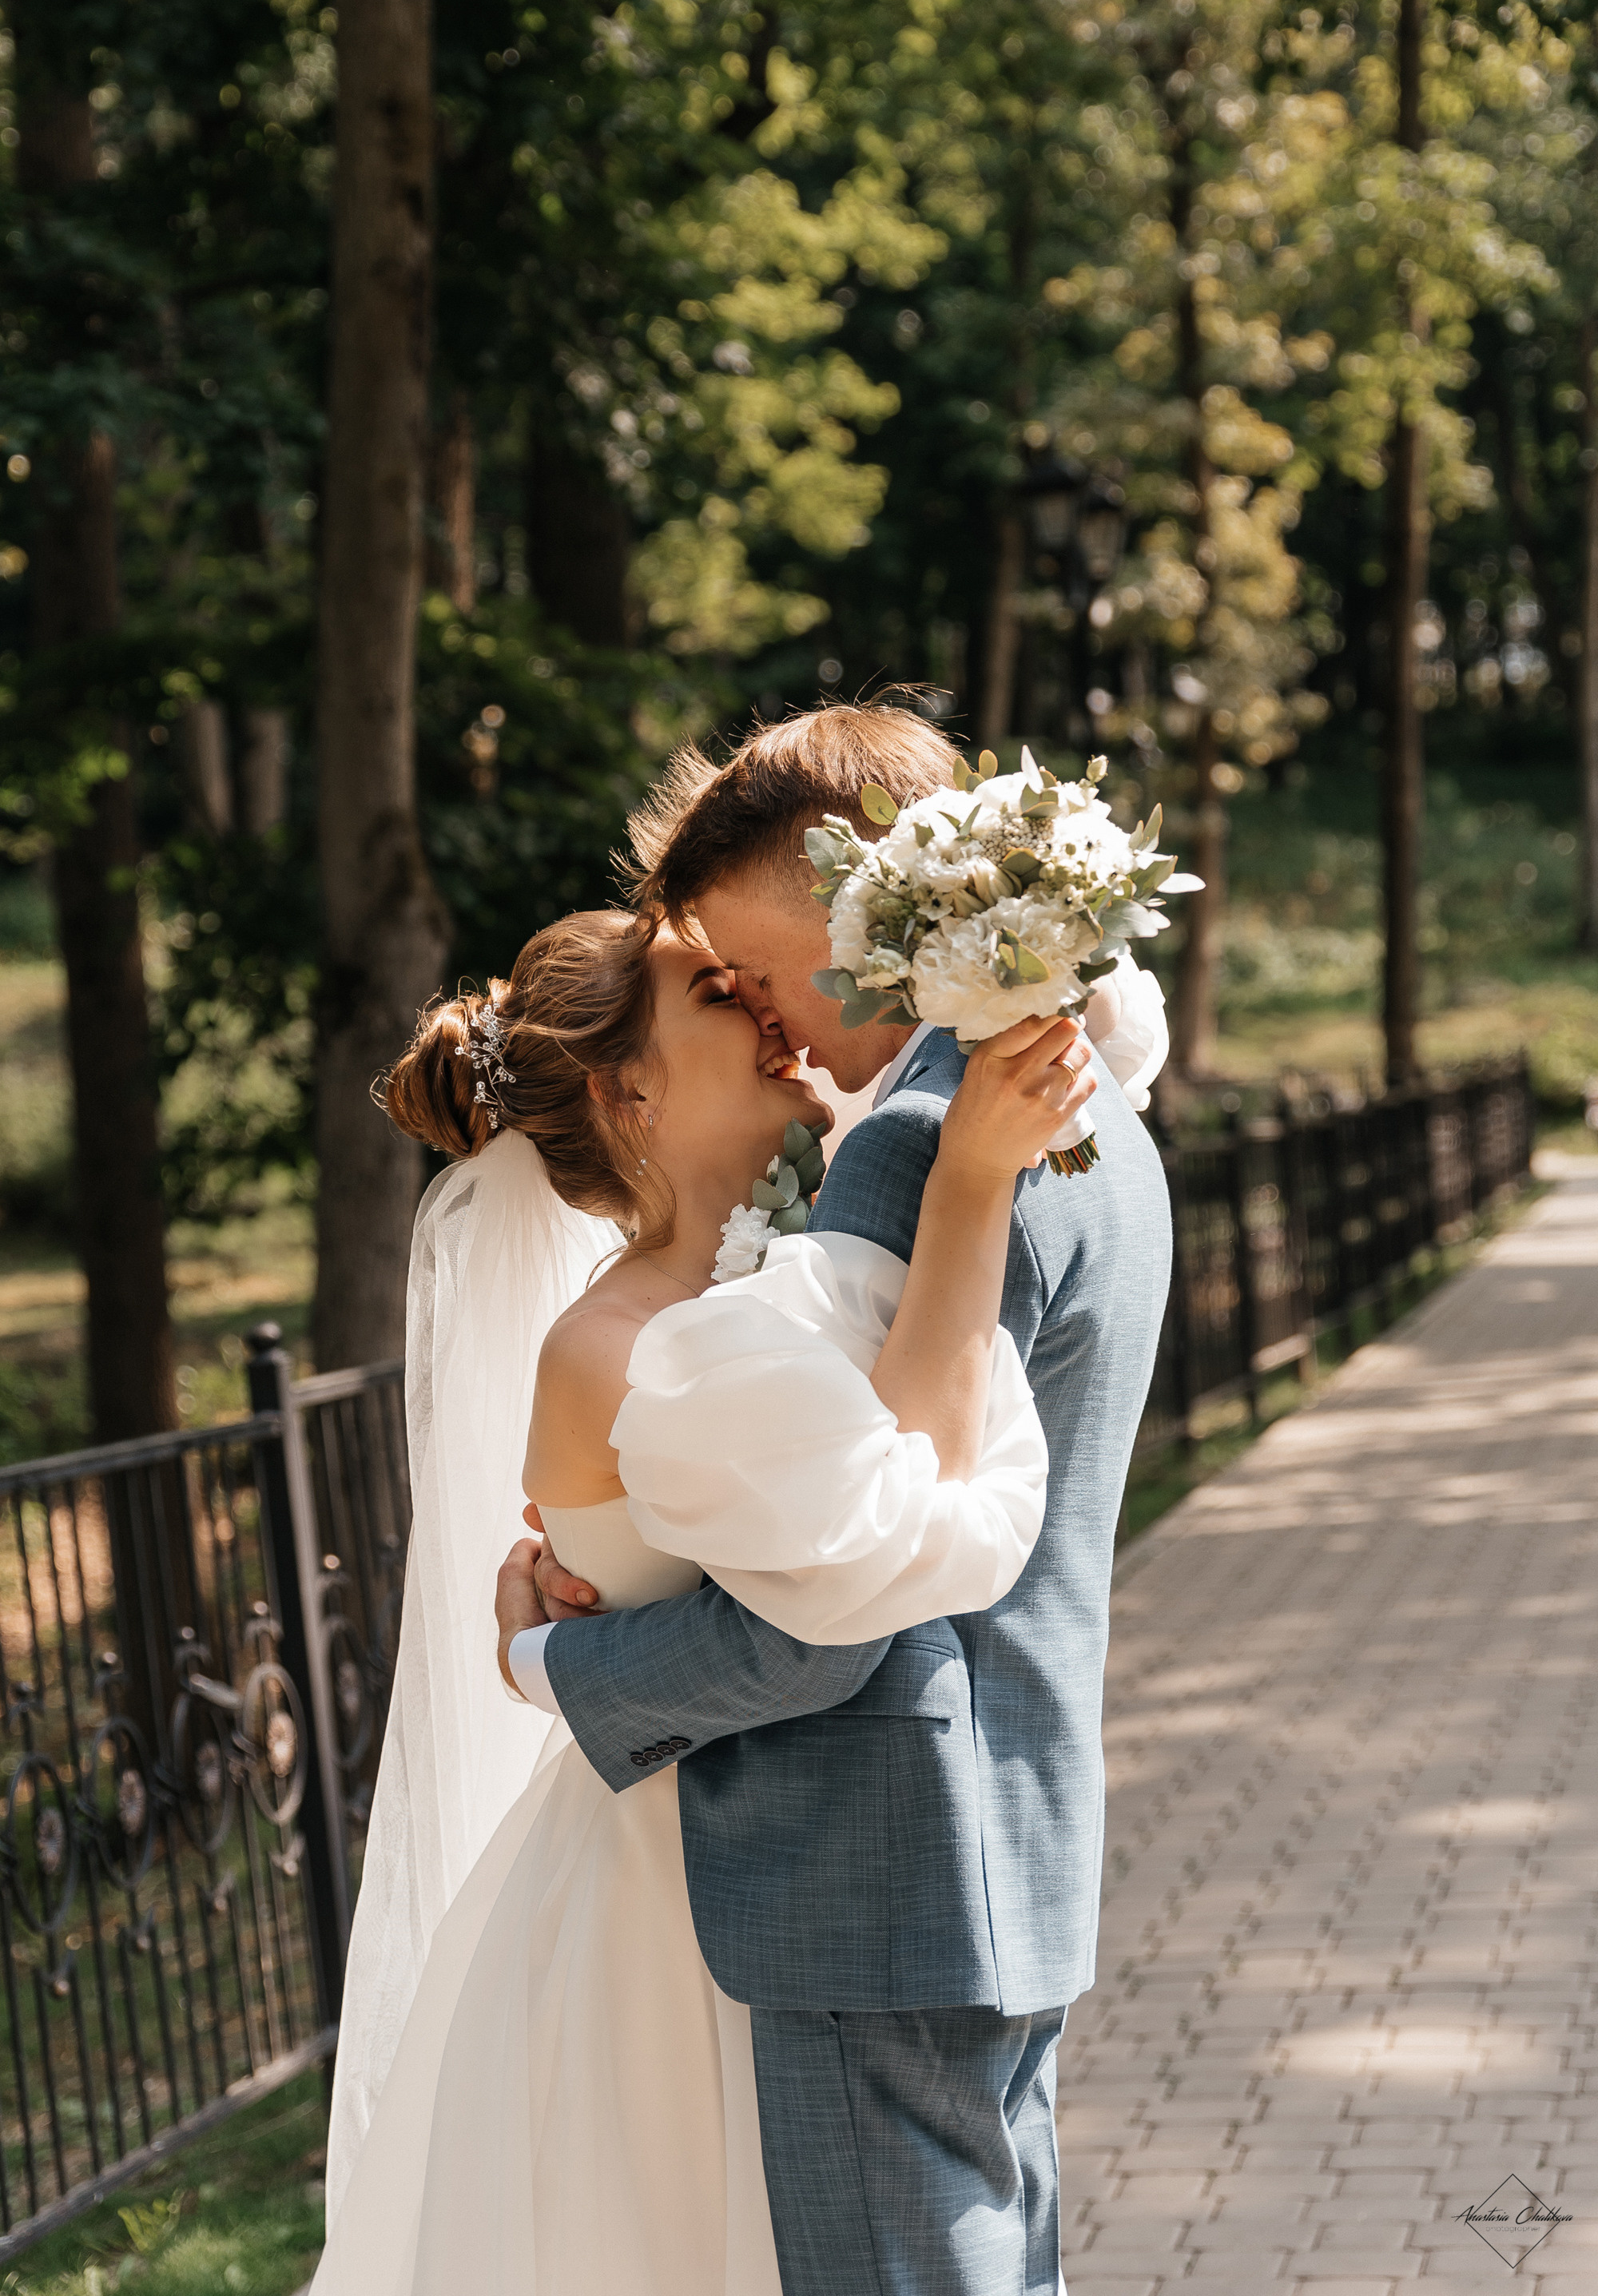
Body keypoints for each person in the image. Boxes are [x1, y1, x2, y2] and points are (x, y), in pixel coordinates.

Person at [314, 898, 1102, 2295]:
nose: (770, 1012)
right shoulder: (618, 1346)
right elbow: (895, 1514)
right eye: (719, 996)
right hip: (685, 1917)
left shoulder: (764, 1278)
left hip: (770, 1874)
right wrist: (970, 1180)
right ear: (631, 1091)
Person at [499, 701, 1173, 2296]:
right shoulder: (1092, 1100)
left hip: (877, 1862)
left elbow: (846, 1593)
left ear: (873, 910)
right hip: (1003, 1830)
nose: (774, 1018)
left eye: (755, 969)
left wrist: (551, 1663)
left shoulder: (937, 1147)